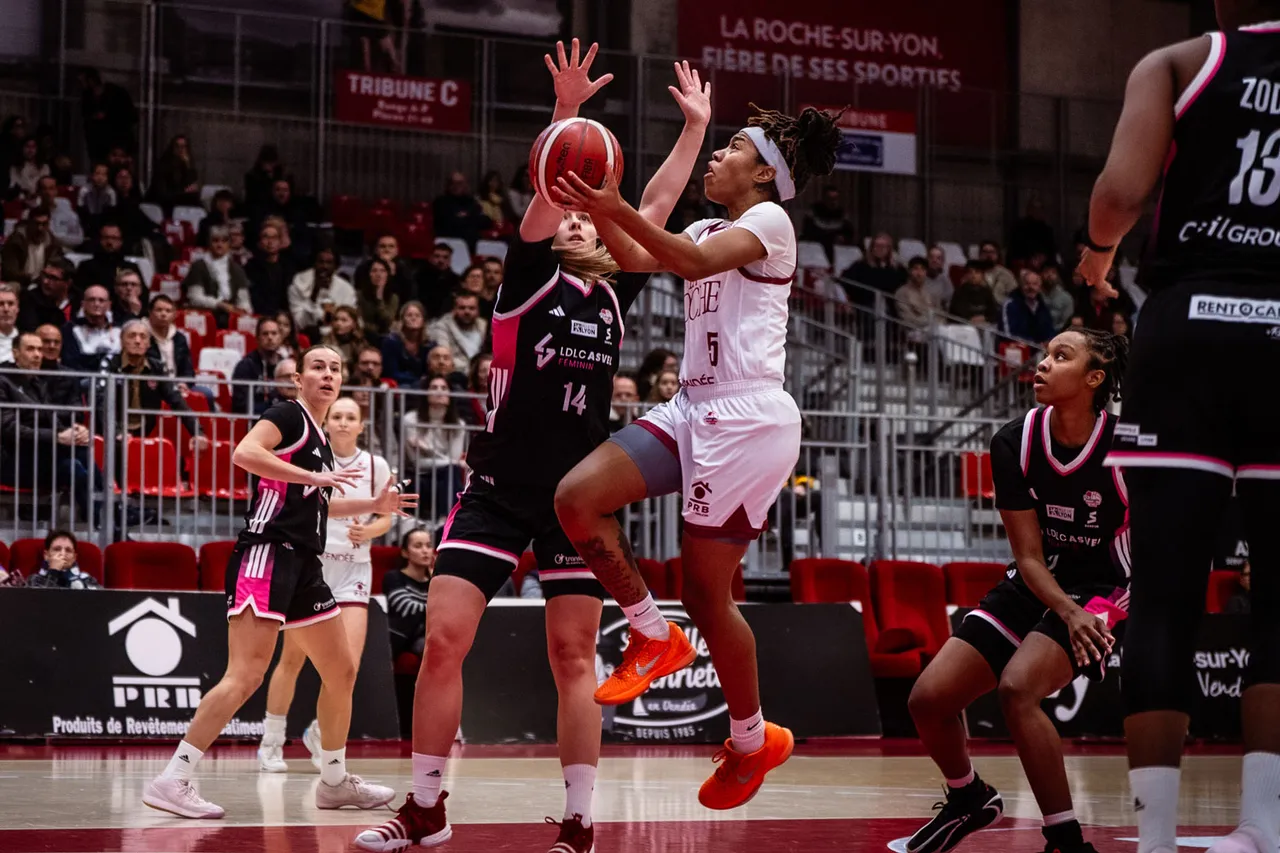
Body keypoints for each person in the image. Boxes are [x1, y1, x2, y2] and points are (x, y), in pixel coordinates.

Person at [355, 43, 706, 853]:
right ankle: (426, 807)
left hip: (575, 499)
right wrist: (566, 116)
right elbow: (554, 183)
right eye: (574, 211)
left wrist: (693, 130)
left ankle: (580, 822)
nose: (583, 217)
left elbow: (649, 203)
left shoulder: (619, 290)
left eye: (594, 214)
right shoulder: (527, 274)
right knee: (445, 636)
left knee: (572, 653)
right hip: (500, 486)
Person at [551, 99, 842, 810]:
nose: (717, 155)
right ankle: (655, 635)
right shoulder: (712, 221)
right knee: (576, 498)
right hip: (692, 405)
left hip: (748, 418)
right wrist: (599, 215)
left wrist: (619, 203)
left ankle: (752, 740)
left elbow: (688, 261)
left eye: (730, 147)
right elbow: (638, 258)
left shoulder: (768, 223)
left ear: (764, 173)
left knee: (711, 594)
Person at [1077, 8, 1280, 853]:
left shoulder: (1181, 59)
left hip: (1188, 327)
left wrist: (1096, 257)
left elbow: (1121, 195)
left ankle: (1154, 839)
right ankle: (1265, 829)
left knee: (1163, 596)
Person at [141, 345, 417, 819]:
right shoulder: (288, 414)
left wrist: (377, 506)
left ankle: (333, 781)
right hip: (267, 554)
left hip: (305, 565)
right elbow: (246, 454)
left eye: (335, 367)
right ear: (298, 379)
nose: (327, 374)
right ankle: (175, 778)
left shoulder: (322, 440)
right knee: (246, 675)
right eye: (318, 367)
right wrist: (312, 474)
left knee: (341, 671)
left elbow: (318, 500)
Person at [905, 329, 1129, 853]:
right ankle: (968, 798)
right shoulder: (1014, 441)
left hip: (1107, 586)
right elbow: (1027, 556)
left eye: (1061, 357)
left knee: (1018, 689)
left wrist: (1088, 614)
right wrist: (1064, 609)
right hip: (1040, 578)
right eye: (1045, 353)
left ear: (1095, 379)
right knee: (928, 700)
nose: (1043, 364)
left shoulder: (1127, 448)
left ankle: (1065, 838)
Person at [257, 396, 394, 773]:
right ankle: (271, 739)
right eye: (338, 416)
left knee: (345, 667)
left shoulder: (375, 465)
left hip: (354, 572)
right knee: (292, 659)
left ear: (362, 426)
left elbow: (386, 516)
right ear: (328, 422)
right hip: (313, 567)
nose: (345, 422)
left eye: (352, 417)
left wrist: (369, 529)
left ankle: (321, 732)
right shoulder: (314, 458)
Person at [402, 375, 466, 518]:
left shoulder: (458, 425)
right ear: (426, 394)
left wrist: (427, 449)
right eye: (434, 387)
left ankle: (445, 520)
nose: (439, 391)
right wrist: (452, 462)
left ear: (450, 395)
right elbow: (416, 461)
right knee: (451, 471)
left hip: (446, 474)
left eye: (444, 388)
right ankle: (449, 520)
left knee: (451, 472)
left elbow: (453, 460)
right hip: (419, 475)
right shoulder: (411, 419)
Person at [182, 225, 254, 321]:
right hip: (203, 316)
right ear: (209, 243)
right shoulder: (198, 266)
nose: (220, 245)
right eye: (215, 241)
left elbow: (244, 300)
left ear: (229, 244)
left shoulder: (237, 269)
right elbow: (195, 298)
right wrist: (220, 305)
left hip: (230, 317)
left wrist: (243, 310)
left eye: (224, 241)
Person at [383, 528, 434, 658]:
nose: (425, 551)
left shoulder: (435, 581)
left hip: (428, 634)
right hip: (403, 635)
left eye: (428, 546)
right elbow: (405, 607)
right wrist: (437, 611)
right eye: (418, 546)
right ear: (405, 552)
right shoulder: (393, 577)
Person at [290, 247, 356, 340]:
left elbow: (351, 320)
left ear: (336, 266)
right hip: (309, 336)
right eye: (321, 262)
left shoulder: (346, 289)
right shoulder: (299, 283)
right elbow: (299, 323)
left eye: (329, 263)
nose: (324, 266)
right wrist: (315, 293)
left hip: (338, 336)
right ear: (314, 263)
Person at [78, 67, 137, 164]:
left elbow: (129, 115)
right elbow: (86, 115)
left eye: (83, 81)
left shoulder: (116, 93)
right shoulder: (87, 96)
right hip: (98, 142)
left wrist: (108, 116)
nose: (82, 84)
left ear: (91, 80)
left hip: (118, 138)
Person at [231, 316, 285, 415]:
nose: (270, 337)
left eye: (274, 333)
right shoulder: (245, 366)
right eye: (265, 334)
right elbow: (240, 405)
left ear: (280, 338)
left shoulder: (286, 366)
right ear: (258, 338)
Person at [62, 284, 121, 371]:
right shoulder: (70, 329)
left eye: (101, 300)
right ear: (83, 304)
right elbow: (69, 362)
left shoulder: (119, 330)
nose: (96, 304)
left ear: (109, 305)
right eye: (91, 300)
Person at [2, 204, 64, 287]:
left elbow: (56, 264)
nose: (40, 228)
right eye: (37, 224)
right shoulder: (16, 241)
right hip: (20, 282)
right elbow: (10, 272)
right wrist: (31, 278)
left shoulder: (52, 242)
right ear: (29, 223)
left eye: (44, 224)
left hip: (44, 282)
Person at [426, 291, 487, 375]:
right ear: (454, 309)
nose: (467, 312)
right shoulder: (442, 327)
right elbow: (445, 357)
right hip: (455, 375)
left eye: (471, 308)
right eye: (462, 308)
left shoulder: (483, 326)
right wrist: (473, 370)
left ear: (478, 310)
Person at [245, 221, 296, 317]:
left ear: (280, 242)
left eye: (274, 237)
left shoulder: (288, 266)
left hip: (284, 316)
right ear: (260, 242)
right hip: (261, 315)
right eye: (266, 237)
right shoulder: (251, 267)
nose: (270, 242)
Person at [73, 221, 140, 294]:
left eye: (114, 238)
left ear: (121, 241)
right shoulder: (86, 266)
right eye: (106, 237)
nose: (109, 242)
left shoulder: (130, 267)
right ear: (100, 240)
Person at [432, 171, 490, 252]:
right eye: (453, 183)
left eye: (460, 183)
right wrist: (470, 218)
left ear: (465, 185)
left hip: (473, 242)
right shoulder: (440, 202)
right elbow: (448, 222)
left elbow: (486, 221)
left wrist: (466, 217)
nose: (456, 186)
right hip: (450, 241)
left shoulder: (471, 201)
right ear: (448, 185)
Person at [24, 530, 101, 590]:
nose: (63, 553)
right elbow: (38, 604)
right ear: (46, 555)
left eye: (68, 550)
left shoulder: (87, 579)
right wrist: (53, 572)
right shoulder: (34, 580)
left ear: (74, 557)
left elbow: (101, 603)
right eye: (57, 549)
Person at [380, 301, 430, 387]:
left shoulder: (428, 345)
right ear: (402, 320)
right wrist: (417, 379)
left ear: (423, 321)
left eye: (417, 315)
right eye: (409, 315)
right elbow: (391, 372)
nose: (413, 318)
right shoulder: (391, 342)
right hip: (397, 384)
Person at [1001, 269, 1056, 344]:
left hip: (1039, 350)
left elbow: (1049, 330)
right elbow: (1008, 335)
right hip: (1016, 349)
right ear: (1021, 285)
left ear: (1040, 287)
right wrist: (1033, 344)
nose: (1031, 287)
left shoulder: (1042, 305)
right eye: (1027, 284)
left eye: (1034, 284)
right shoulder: (1010, 304)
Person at [149, 135, 200, 214]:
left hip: (180, 200)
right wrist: (184, 192)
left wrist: (188, 166)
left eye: (183, 146)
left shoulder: (186, 165)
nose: (181, 150)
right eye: (177, 146)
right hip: (163, 203)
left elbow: (192, 186)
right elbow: (162, 193)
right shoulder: (163, 166)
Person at [800, 185, 855, 257]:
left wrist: (843, 238)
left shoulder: (841, 213)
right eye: (830, 198)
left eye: (835, 199)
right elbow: (807, 231)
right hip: (816, 247)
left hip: (836, 248)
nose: (832, 202)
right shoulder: (814, 210)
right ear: (824, 199)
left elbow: (849, 232)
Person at [357, 257, 401, 343]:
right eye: (374, 271)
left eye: (382, 271)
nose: (378, 274)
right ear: (369, 274)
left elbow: (387, 321)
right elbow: (360, 322)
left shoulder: (393, 297)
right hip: (364, 337)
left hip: (385, 338)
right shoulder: (360, 295)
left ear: (387, 275)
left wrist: (379, 298)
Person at [948, 261, 1000, 326]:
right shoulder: (960, 292)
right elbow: (958, 315)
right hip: (964, 327)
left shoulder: (986, 291)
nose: (973, 276)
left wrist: (985, 318)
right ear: (966, 275)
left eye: (977, 272)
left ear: (982, 275)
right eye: (970, 272)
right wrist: (972, 319)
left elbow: (994, 313)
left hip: (984, 326)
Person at [77, 162, 118, 240]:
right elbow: (81, 213)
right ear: (92, 175)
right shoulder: (84, 191)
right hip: (87, 222)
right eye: (97, 173)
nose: (100, 177)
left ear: (108, 177)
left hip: (103, 223)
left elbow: (111, 216)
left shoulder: (111, 193)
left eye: (104, 174)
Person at [321, 306, 366, 372]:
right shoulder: (324, 342)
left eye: (344, 320)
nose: (338, 323)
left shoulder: (360, 343)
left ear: (354, 324)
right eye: (336, 319)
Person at [924, 245, 954, 311]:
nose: (934, 260)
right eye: (931, 257)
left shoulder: (946, 281)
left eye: (938, 258)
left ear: (942, 262)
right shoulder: (919, 278)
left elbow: (950, 304)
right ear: (926, 259)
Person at [0, 283, 18, 364]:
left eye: (10, 304)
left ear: (17, 309)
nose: (6, 309)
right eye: (1, 304)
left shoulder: (27, 340)